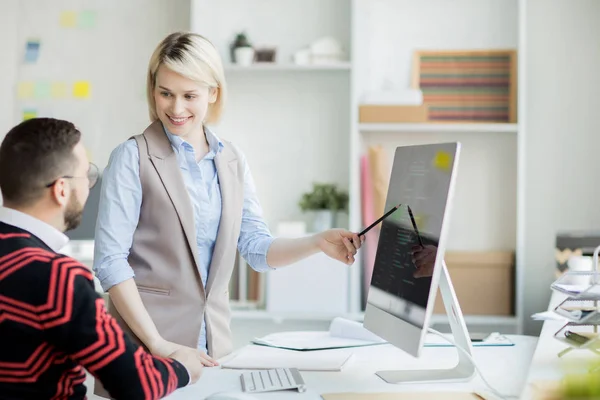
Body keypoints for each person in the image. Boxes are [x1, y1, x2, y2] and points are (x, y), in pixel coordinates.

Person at [93, 31, 363, 374]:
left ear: (213, 93)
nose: (176, 108)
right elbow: (110, 262)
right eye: (166, 93)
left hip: (214, 348)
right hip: (148, 352)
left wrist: (316, 243)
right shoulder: (131, 157)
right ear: (153, 90)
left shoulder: (232, 159)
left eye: (189, 95)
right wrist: (159, 345)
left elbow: (255, 247)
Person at [0, 118, 203, 399]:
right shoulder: (58, 278)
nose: (89, 187)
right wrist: (182, 367)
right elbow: (136, 383)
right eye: (86, 175)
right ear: (61, 190)